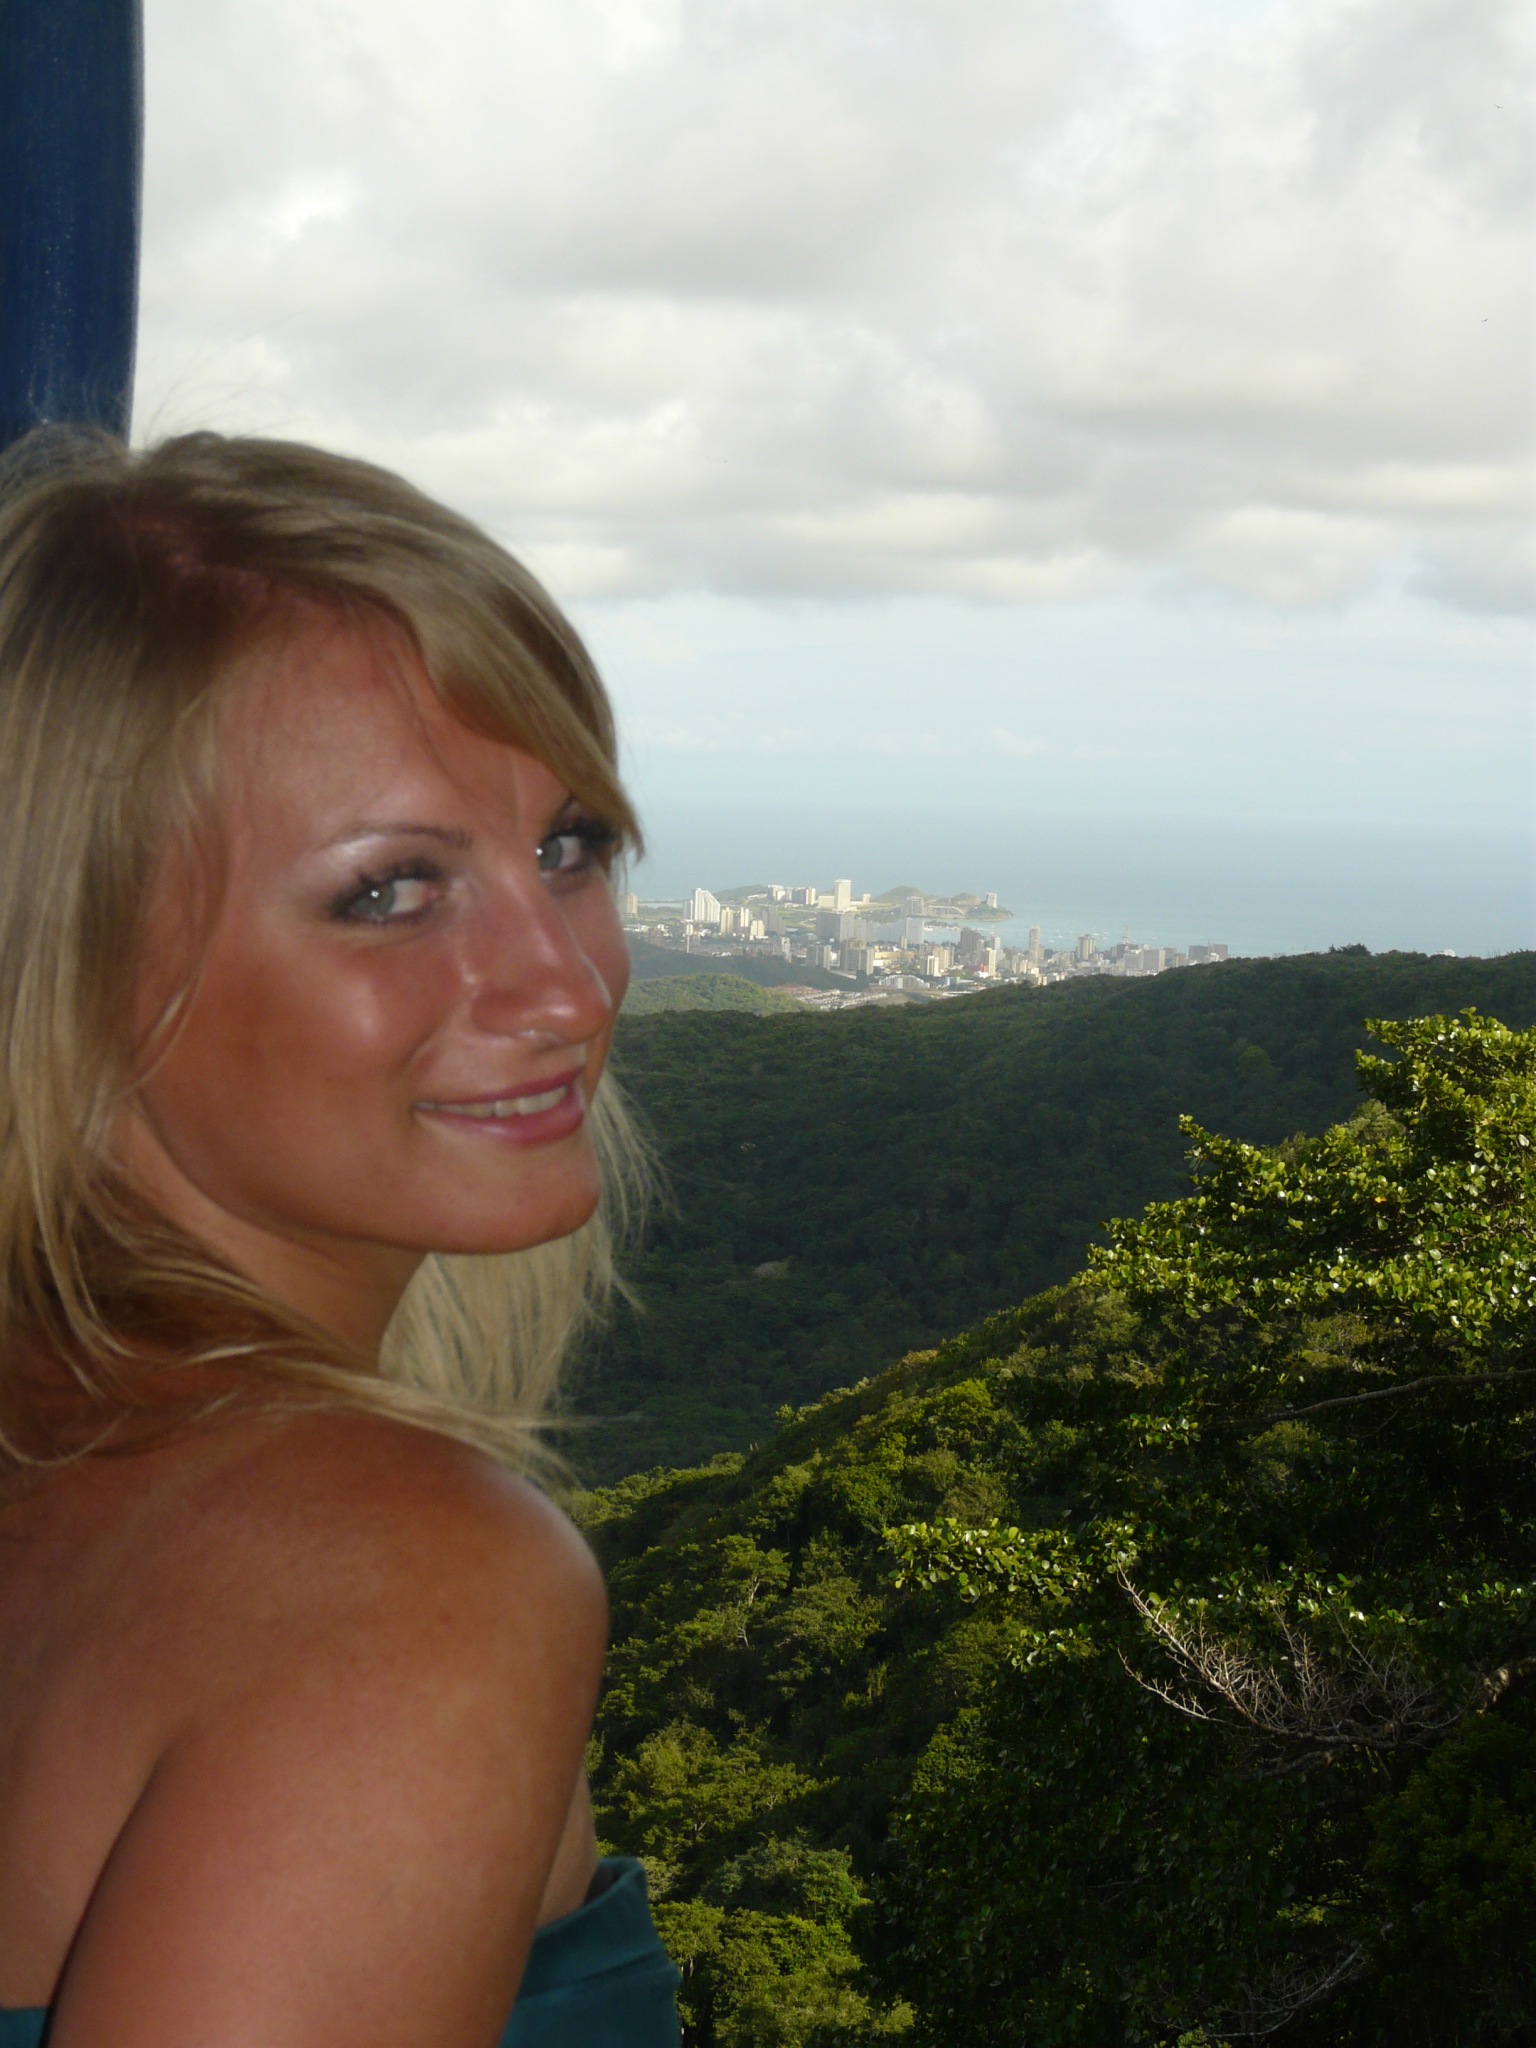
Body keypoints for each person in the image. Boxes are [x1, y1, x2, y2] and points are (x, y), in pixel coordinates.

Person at [0, 429, 680, 2046]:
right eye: (390, 892)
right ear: (70, 962)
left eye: (568, 848)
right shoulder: (411, 1581)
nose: (567, 988)